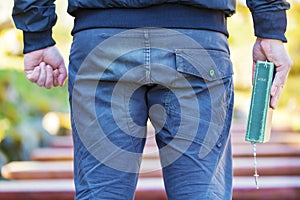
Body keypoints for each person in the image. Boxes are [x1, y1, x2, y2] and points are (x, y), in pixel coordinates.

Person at [12, 1, 292, 199]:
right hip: (196, 41)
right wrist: (269, 28)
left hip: (102, 40)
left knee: (100, 194)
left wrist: (37, 35)